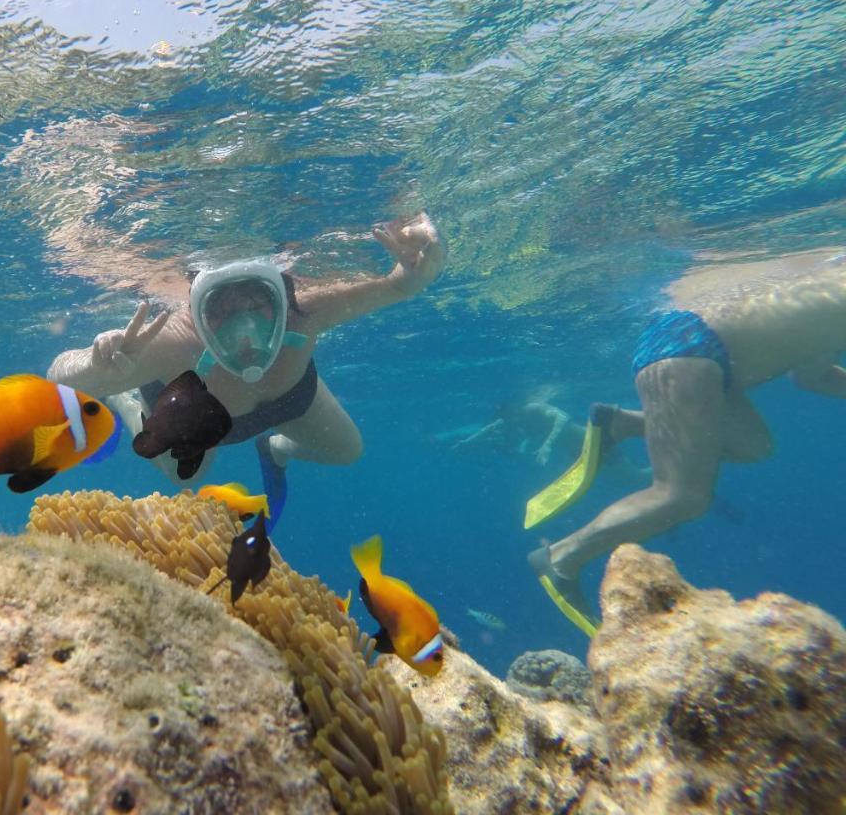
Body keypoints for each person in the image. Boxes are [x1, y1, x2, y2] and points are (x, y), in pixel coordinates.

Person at [46, 212, 445, 524]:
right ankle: (128, 402)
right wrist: (98, 366)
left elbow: (398, 285)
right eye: (220, 310)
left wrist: (418, 269)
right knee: (185, 477)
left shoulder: (306, 313)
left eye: (257, 304)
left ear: (283, 298)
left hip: (292, 400)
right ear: (197, 314)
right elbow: (58, 377)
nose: (245, 332)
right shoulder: (173, 342)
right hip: (194, 417)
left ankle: (277, 449)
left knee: (347, 451)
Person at [527, 249, 846, 636]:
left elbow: (812, 376)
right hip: (688, 348)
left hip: (700, 353)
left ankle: (623, 425)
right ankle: (561, 557)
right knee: (682, 495)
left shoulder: (832, 289)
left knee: (755, 445)